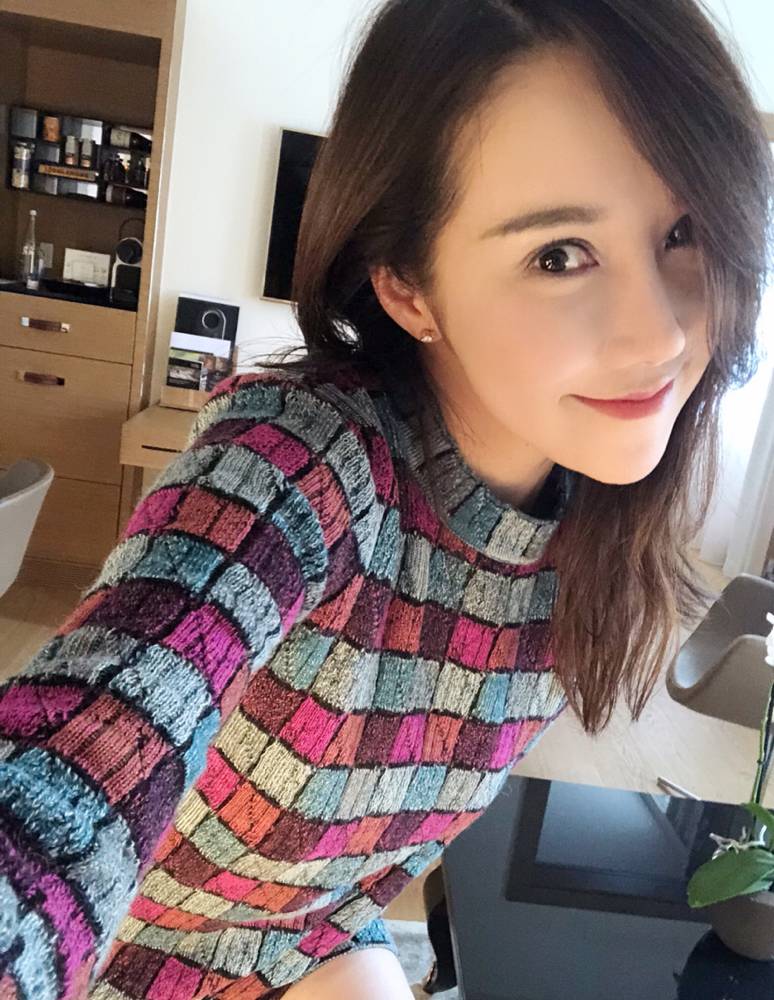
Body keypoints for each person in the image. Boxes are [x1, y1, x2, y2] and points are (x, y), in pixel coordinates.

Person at [1, 1, 772, 997]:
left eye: (684, 233)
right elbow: (92, 749)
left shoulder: (594, 515)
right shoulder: (304, 462)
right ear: (409, 286)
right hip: (133, 953)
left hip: (310, 932)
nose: (659, 334)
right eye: (559, 254)